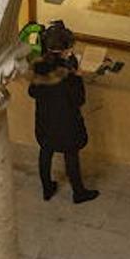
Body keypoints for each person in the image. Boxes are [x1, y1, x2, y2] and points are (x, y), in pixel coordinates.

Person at [28, 21, 99, 205]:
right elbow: (79, 100)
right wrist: (78, 77)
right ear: (66, 49)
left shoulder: (40, 65)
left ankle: (47, 188)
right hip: (67, 121)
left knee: (45, 151)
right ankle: (79, 192)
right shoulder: (69, 72)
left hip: (45, 118)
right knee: (71, 154)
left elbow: (32, 92)